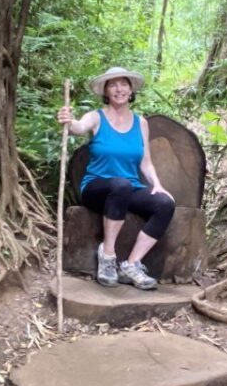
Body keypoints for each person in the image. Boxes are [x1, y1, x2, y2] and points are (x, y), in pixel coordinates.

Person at [57, 67, 175, 290]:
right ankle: (108, 255)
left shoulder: (141, 123)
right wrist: (68, 121)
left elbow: (146, 162)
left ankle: (131, 265)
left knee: (165, 204)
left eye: (123, 84)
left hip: (127, 188)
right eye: (113, 84)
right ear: (106, 91)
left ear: (131, 90)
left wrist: (158, 185)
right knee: (120, 185)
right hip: (96, 188)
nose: (119, 89)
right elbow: (78, 128)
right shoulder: (96, 117)